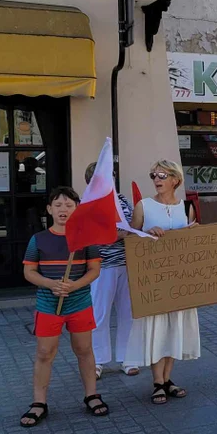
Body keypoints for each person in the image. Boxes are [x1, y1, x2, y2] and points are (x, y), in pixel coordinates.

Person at [20, 187, 107, 427]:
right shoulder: (38, 239)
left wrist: (73, 285)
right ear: (49, 209)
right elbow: (29, 271)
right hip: (48, 305)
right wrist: (50, 283)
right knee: (44, 353)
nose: (63, 210)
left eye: (69, 205)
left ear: (77, 209)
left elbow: (94, 270)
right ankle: (39, 403)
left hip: (79, 303)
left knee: (84, 350)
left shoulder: (86, 237)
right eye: (57, 205)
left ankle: (91, 395)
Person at [129, 160, 200, 405]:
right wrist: (147, 235)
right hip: (154, 281)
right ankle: (157, 381)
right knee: (157, 330)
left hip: (180, 279)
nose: (157, 179)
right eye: (154, 175)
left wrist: (196, 235)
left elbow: (193, 244)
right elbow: (130, 240)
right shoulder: (143, 206)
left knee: (175, 329)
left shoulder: (187, 207)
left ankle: (168, 379)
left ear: (175, 180)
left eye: (162, 175)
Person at [85, 162, 140, 378]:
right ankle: (97, 361)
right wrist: (117, 234)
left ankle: (129, 358)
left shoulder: (123, 201)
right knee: (99, 314)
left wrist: (129, 231)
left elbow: (134, 225)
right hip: (102, 266)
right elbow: (92, 234)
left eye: (111, 175)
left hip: (127, 264)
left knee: (128, 313)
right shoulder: (88, 204)